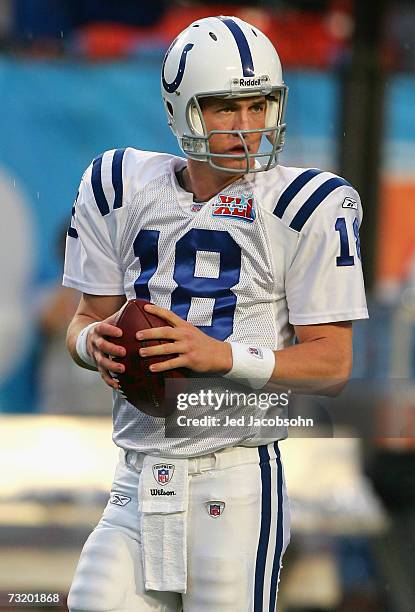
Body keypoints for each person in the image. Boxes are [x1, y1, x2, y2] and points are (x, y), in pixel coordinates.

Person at [63, 15, 368, 612]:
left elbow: (332, 365)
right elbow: (84, 320)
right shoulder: (121, 186)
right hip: (140, 473)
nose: (248, 127)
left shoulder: (304, 205)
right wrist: (91, 344)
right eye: (226, 108)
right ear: (181, 111)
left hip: (234, 473)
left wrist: (221, 356)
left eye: (260, 106)